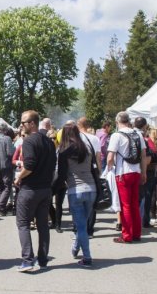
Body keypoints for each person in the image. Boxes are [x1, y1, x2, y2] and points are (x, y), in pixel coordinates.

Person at [14, 110, 56, 272]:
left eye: (23, 122)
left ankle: (27, 260)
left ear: (32, 124)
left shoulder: (29, 141)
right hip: (45, 188)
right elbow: (53, 164)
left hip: (30, 189)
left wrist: (18, 177)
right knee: (43, 225)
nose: (21, 125)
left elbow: (29, 165)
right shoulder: (48, 142)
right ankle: (43, 258)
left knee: (23, 223)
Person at [57, 125, 96, 267]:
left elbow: (61, 176)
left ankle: (87, 257)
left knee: (81, 227)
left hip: (75, 190)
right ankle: (75, 248)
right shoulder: (87, 148)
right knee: (83, 225)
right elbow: (93, 169)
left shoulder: (64, 151)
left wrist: (52, 191)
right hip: (91, 189)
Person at [106, 112, 147, 244]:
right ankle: (136, 233)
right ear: (129, 121)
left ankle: (127, 235)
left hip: (123, 172)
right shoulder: (138, 134)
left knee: (126, 206)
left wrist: (109, 169)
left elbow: (110, 157)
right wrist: (144, 172)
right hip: (136, 171)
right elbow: (143, 155)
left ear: (117, 122)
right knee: (135, 204)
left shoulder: (116, 135)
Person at [78, 117, 101, 237]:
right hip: (93, 170)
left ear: (78, 125)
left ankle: (80, 229)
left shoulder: (76, 138)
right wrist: (100, 172)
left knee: (79, 199)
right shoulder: (95, 139)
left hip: (79, 171)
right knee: (92, 200)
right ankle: (90, 229)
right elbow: (98, 157)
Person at [134, 117, 156, 229]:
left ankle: (132, 223)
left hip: (127, 172)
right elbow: (148, 159)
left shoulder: (129, 136)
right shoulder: (144, 140)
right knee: (142, 198)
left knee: (132, 200)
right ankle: (142, 221)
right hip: (141, 172)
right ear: (145, 126)